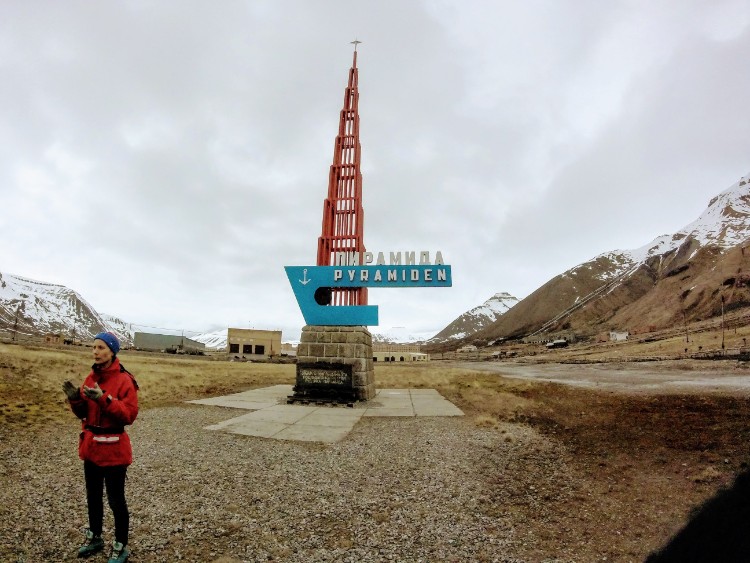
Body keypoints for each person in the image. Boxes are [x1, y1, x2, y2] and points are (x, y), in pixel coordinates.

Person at [62, 332, 139, 562]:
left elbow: (128, 416)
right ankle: (95, 536)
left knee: (116, 500)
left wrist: (104, 399)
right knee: (93, 496)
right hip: (92, 449)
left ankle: (121, 545)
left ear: (112, 351)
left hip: (114, 451)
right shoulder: (90, 378)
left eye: (101, 347)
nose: (95, 351)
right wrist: (76, 400)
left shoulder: (125, 381)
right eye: (93, 347)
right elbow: (84, 414)